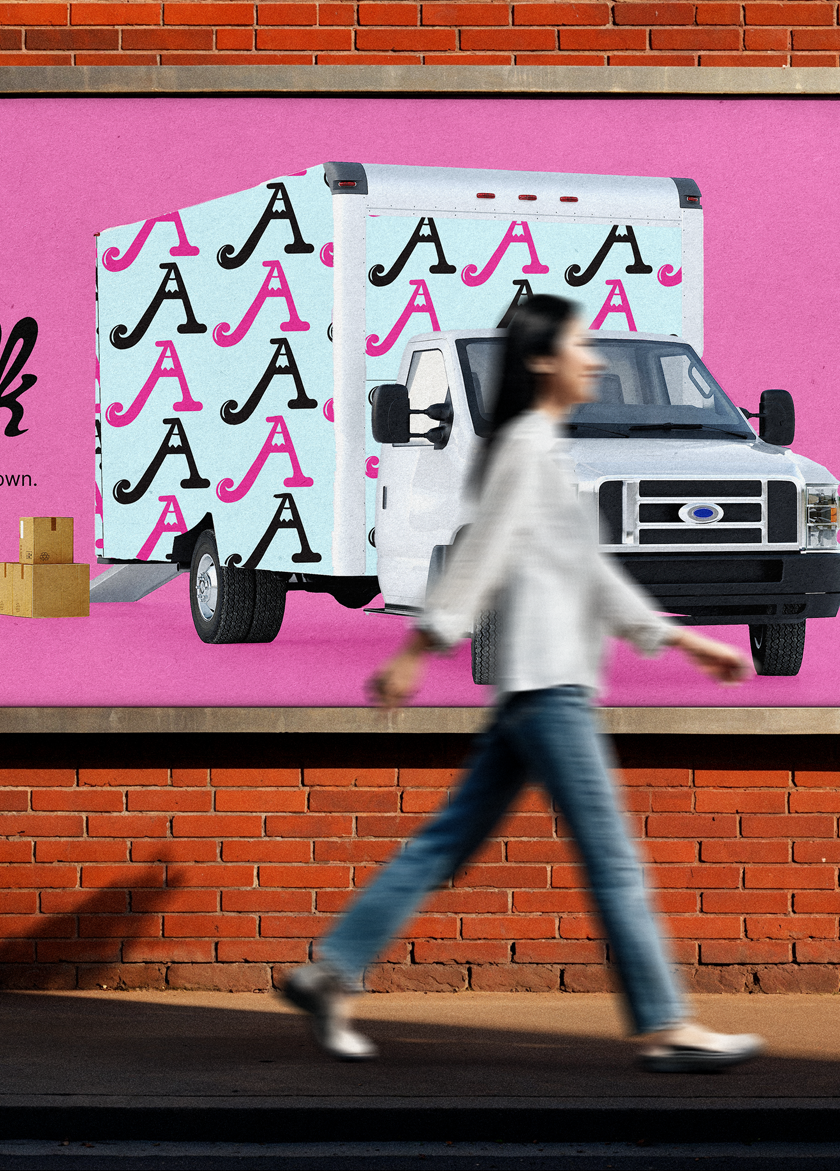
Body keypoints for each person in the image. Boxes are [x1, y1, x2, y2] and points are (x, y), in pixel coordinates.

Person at [279, 294, 765, 1074]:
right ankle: (666, 1023)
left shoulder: (540, 447)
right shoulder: (524, 449)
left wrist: (683, 639)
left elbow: (590, 571)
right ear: (543, 360)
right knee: (614, 861)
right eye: (580, 346)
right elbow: (478, 554)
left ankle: (330, 971)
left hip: (533, 690)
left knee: (442, 844)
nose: (593, 361)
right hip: (549, 688)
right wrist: (420, 645)